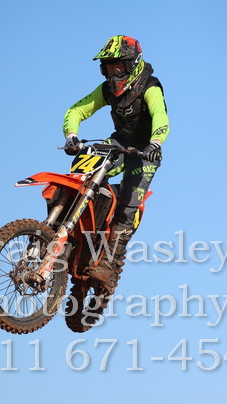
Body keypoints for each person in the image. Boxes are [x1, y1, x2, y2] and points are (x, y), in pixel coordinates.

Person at [63, 35, 170, 293]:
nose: (114, 74)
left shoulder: (150, 87)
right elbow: (77, 110)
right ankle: (65, 230)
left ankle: (109, 264)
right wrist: (71, 136)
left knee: (128, 204)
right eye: (109, 68)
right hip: (119, 143)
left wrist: (155, 143)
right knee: (82, 171)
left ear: (133, 64)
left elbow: (161, 116)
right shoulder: (106, 90)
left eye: (119, 67)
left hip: (144, 151)